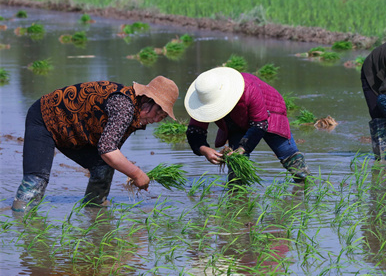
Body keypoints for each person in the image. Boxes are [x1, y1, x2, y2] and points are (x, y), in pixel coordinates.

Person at [13, 76, 179, 211]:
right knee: (36, 180)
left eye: (162, 117)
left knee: (103, 167)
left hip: (72, 130)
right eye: (158, 112)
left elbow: (108, 150)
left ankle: (94, 212)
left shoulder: (135, 113)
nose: (156, 120)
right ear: (145, 100)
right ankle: (21, 224)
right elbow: (107, 149)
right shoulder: (125, 106)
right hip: (45, 118)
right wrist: (137, 174)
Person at [185, 67, 310, 184]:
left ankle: (305, 186)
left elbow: (259, 125)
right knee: (236, 165)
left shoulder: (248, 88)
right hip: (235, 119)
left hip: (268, 111)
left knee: (289, 157)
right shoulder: (205, 95)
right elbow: (195, 131)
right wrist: (204, 149)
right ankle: (238, 197)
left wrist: (243, 148)